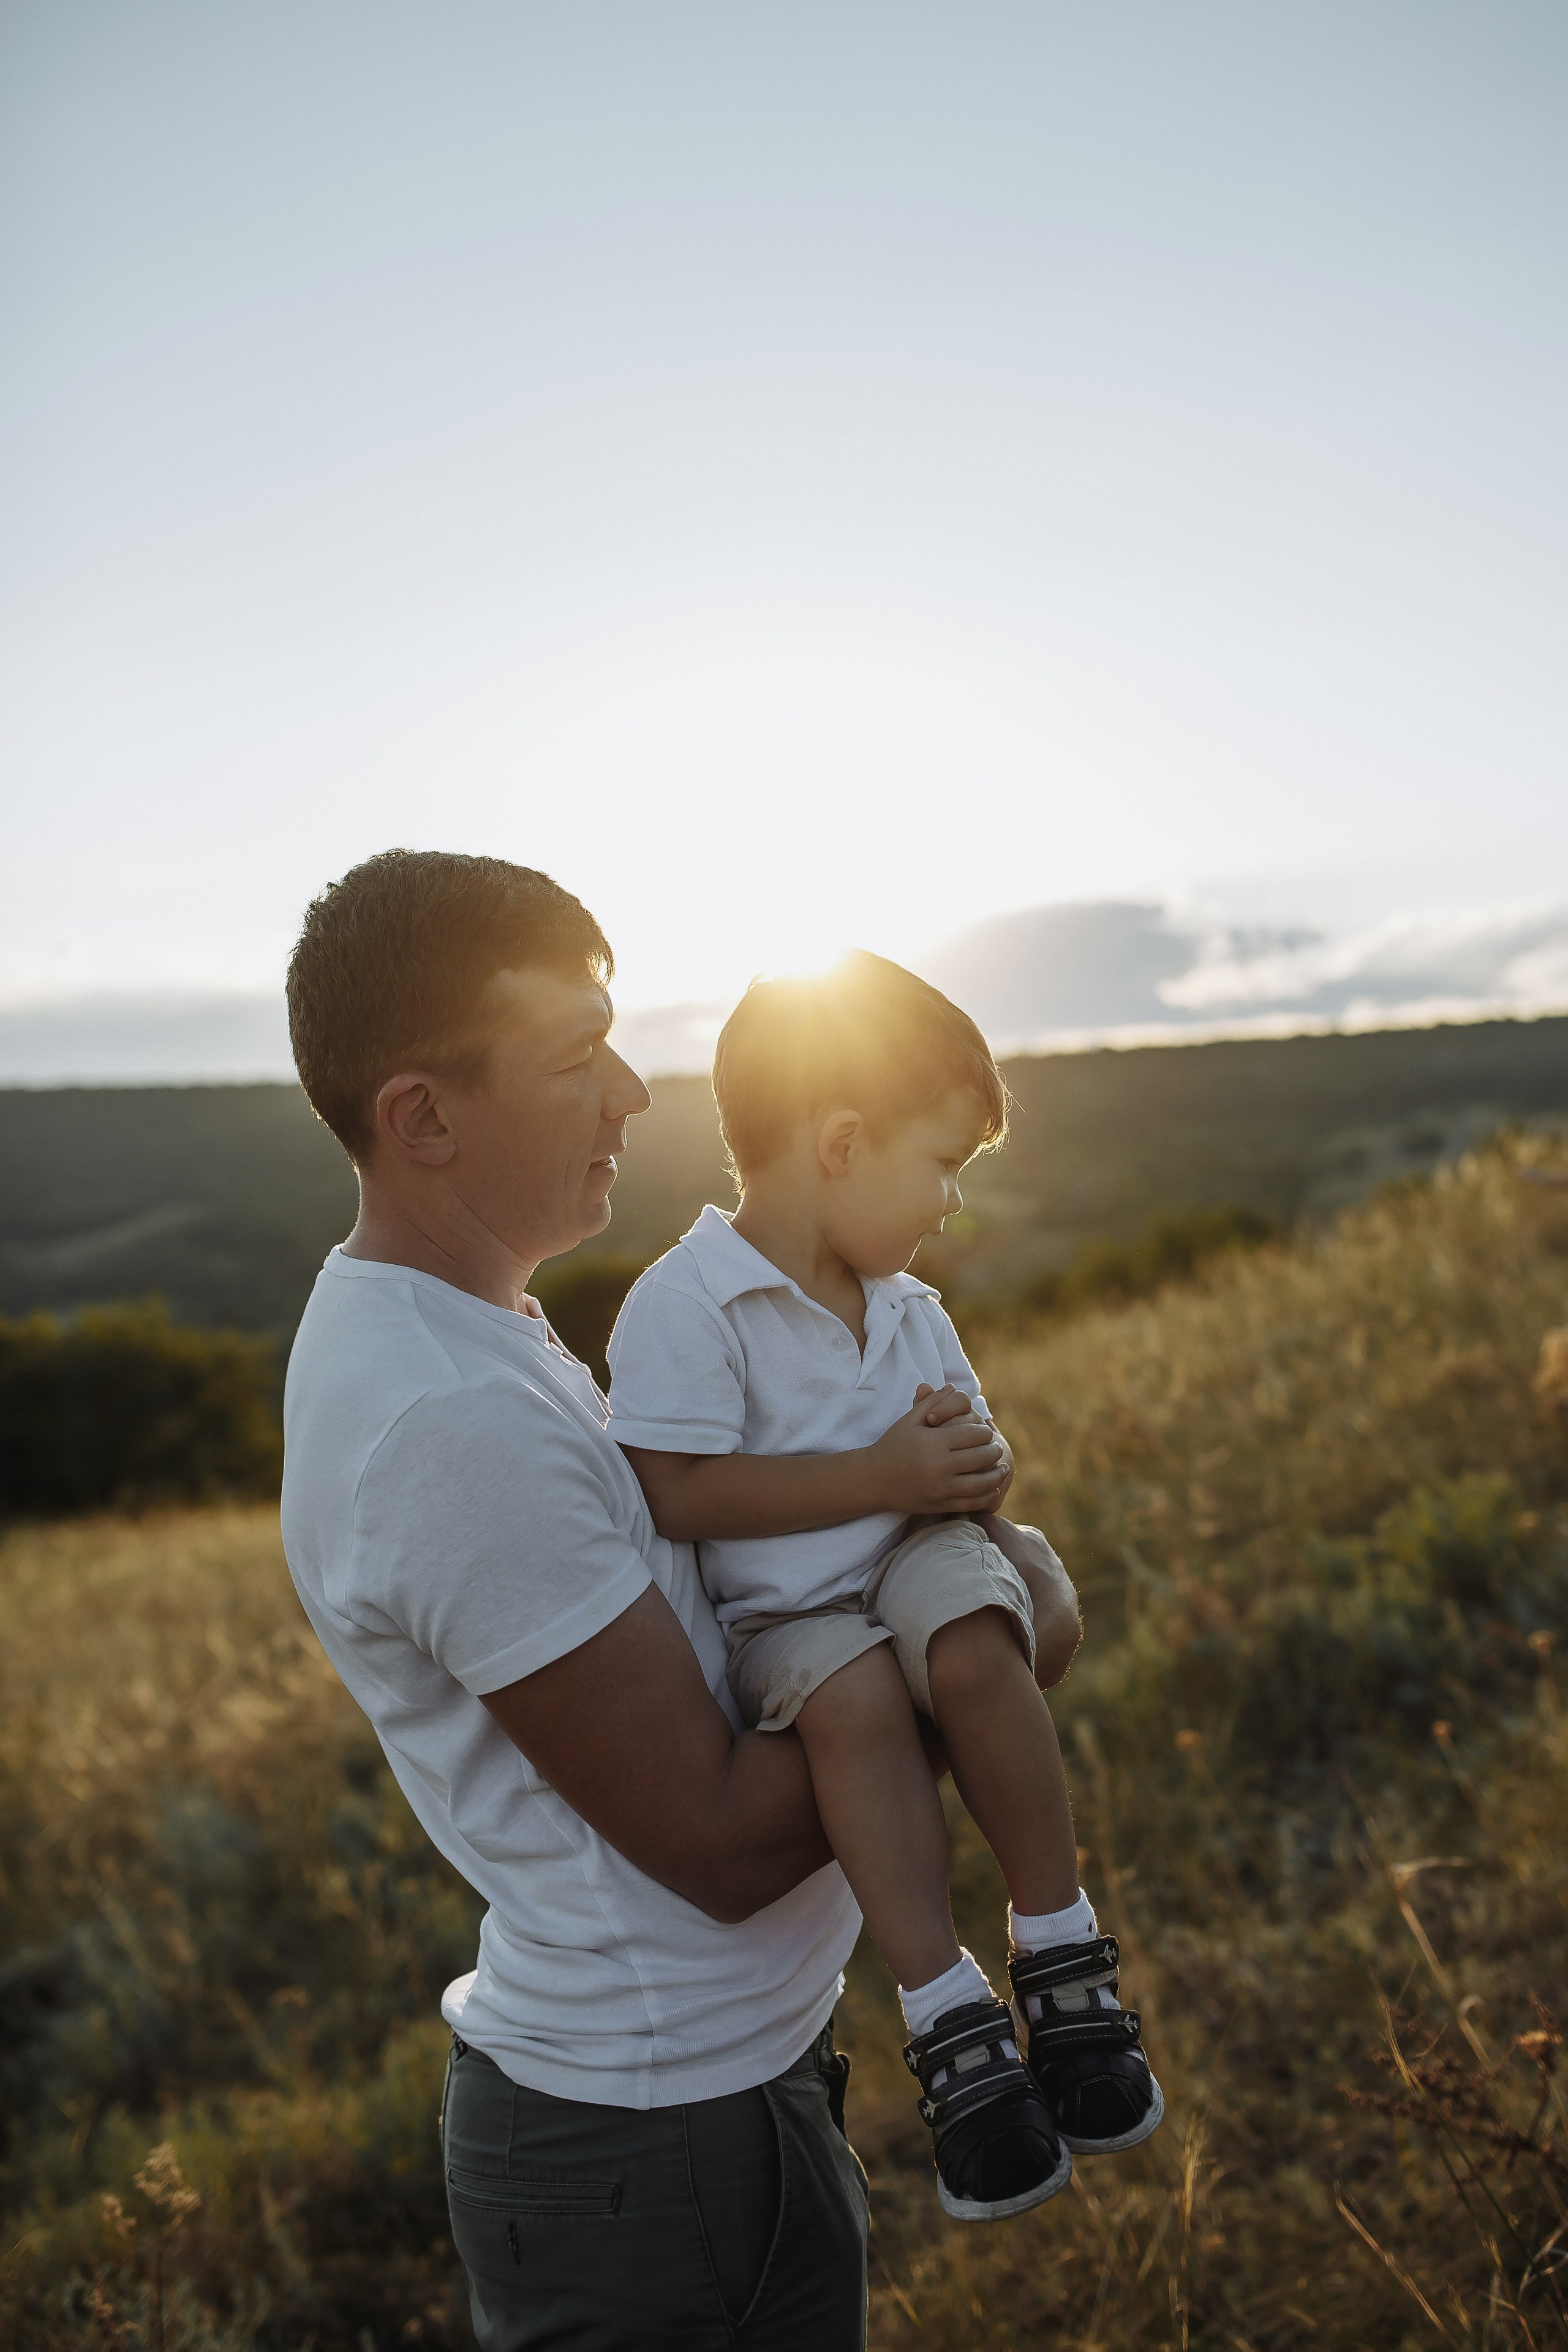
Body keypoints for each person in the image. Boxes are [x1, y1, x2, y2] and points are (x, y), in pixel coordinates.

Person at [280, 850, 888, 2351]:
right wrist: (965, 1656)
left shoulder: (476, 1329)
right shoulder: (449, 1418)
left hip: (692, 2105)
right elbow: (721, 1844)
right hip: (658, 2148)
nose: (630, 1093)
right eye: (576, 1058)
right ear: (421, 1119)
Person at [606, 954, 1161, 2225]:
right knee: (852, 1701)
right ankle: (948, 2017)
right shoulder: (687, 1304)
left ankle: (1056, 1944)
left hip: (917, 1555)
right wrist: (877, 1471)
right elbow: (677, 1493)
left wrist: (977, 1476)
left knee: (973, 1631)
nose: (953, 1201)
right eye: (943, 1163)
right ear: (843, 1142)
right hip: (789, 1617)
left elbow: (967, 1473)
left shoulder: (908, 1308)